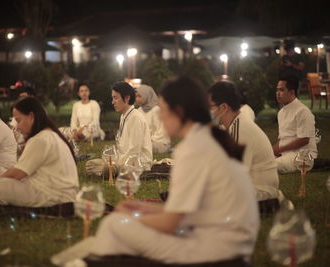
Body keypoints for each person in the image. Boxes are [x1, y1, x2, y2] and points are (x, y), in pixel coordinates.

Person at [89, 77, 259, 265]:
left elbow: (170, 223)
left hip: (215, 250)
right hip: (230, 242)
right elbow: (187, 212)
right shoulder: (208, 138)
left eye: (163, 111)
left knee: (114, 224)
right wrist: (144, 209)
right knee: (117, 228)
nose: (160, 117)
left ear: (178, 112)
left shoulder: (192, 149)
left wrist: (131, 216)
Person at [0, 97, 79, 208]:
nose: (17, 126)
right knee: (1, 182)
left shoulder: (40, 139)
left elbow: (16, 173)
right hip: (63, 194)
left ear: (31, 116)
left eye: (18, 120)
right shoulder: (49, 134)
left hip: (56, 196)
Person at [208, 81, 279, 202]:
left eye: (210, 107)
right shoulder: (234, 125)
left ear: (224, 107)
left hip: (261, 191)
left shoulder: (240, 129)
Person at [273, 77, 317, 173]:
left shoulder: (302, 111)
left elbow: (304, 139)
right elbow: (284, 138)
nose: (278, 93)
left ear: (292, 92)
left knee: (267, 166)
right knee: (259, 160)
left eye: (281, 90)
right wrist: (273, 150)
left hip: (302, 157)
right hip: (285, 155)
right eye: (277, 90)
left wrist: (281, 149)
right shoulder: (280, 113)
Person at [135, 84, 171, 154]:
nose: (137, 99)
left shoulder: (156, 110)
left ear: (147, 95)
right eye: (136, 96)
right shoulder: (139, 110)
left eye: (139, 96)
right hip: (145, 142)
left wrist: (149, 140)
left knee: (141, 147)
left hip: (159, 142)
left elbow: (162, 131)